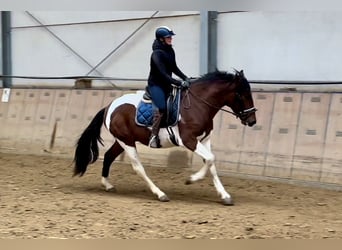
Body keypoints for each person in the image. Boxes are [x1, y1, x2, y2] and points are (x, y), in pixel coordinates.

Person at [147, 26, 190, 148]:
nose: (171, 39)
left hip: (167, 83)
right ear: (161, 39)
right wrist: (179, 83)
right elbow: (163, 74)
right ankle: (153, 136)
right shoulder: (156, 54)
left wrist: (185, 78)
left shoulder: (170, 50)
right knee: (161, 108)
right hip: (156, 85)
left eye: (171, 37)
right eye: (168, 37)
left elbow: (174, 68)